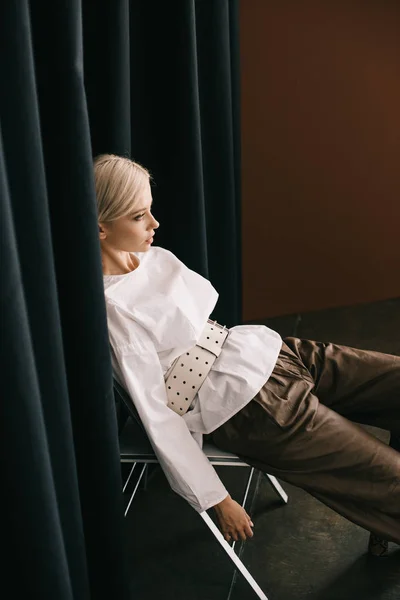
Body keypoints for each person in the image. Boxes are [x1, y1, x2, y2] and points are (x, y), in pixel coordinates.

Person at [95, 153, 400, 557]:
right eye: (139, 217)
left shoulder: (153, 256)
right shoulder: (113, 309)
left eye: (150, 210)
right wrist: (216, 498)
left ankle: (388, 516)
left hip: (273, 354)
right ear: (100, 228)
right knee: (391, 478)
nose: (154, 224)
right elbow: (156, 415)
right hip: (252, 411)